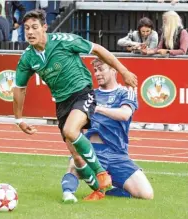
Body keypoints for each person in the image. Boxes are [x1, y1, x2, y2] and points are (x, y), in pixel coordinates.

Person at [13, 9, 137, 200]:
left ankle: (102, 173)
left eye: (35, 27)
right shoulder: (28, 58)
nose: (30, 32)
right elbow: (19, 88)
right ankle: (100, 190)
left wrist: (124, 71)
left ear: (44, 28)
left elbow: (98, 49)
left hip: (82, 93)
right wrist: (19, 119)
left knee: (71, 131)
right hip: (62, 103)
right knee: (76, 156)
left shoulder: (63, 40)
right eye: (27, 28)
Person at [61, 58, 154, 203]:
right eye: (95, 70)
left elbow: (124, 114)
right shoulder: (89, 95)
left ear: (113, 70)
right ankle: (68, 194)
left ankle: (106, 189)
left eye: (101, 69)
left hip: (118, 153)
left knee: (146, 194)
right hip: (93, 149)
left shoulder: (125, 93)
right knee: (75, 165)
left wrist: (97, 108)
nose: (97, 74)